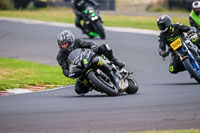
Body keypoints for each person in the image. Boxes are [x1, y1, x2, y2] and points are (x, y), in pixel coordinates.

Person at [56, 30, 125, 95]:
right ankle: (93, 84)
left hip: (88, 59)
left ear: (70, 41)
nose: (63, 46)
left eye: (65, 44)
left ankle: (116, 62)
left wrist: (93, 46)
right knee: (78, 90)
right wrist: (70, 74)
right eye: (61, 44)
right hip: (79, 70)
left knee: (105, 47)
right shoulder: (60, 56)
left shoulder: (77, 42)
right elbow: (64, 69)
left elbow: (89, 44)